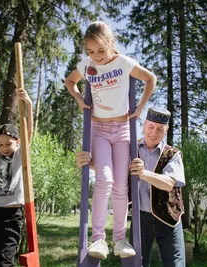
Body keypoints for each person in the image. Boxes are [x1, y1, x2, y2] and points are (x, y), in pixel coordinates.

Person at [65, 21, 157, 260]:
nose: (96, 56)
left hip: (122, 130)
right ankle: (98, 239)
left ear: (110, 44)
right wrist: (79, 100)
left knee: (120, 185)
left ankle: (119, 239)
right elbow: (69, 82)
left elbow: (150, 79)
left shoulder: (124, 63)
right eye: (90, 51)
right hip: (99, 129)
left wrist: (139, 108)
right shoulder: (87, 65)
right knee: (104, 179)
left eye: (100, 51)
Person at [76, 108, 186, 267]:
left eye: (160, 129)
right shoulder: (129, 148)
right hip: (140, 218)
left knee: (175, 264)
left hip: (168, 220)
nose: (154, 132)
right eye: (151, 126)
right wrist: (85, 162)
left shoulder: (173, 154)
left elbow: (169, 184)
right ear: (144, 125)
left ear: (166, 130)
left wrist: (143, 173)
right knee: (137, 263)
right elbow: (108, 166)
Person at [0, 88, 32, 267]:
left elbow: (28, 133)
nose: (4, 147)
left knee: (4, 261)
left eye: (8, 143)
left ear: (16, 142)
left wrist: (29, 106)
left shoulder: (19, 155)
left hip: (12, 214)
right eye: (1, 144)